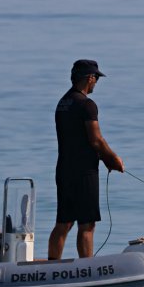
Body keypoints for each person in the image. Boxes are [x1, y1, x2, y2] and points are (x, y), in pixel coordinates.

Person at [47, 59, 125, 259]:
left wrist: (104, 157)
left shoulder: (63, 102)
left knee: (64, 222)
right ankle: (87, 268)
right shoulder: (87, 105)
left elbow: (77, 139)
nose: (96, 83)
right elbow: (96, 139)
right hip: (84, 172)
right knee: (87, 223)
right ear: (90, 77)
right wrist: (113, 159)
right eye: (96, 78)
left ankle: (52, 265)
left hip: (64, 169)